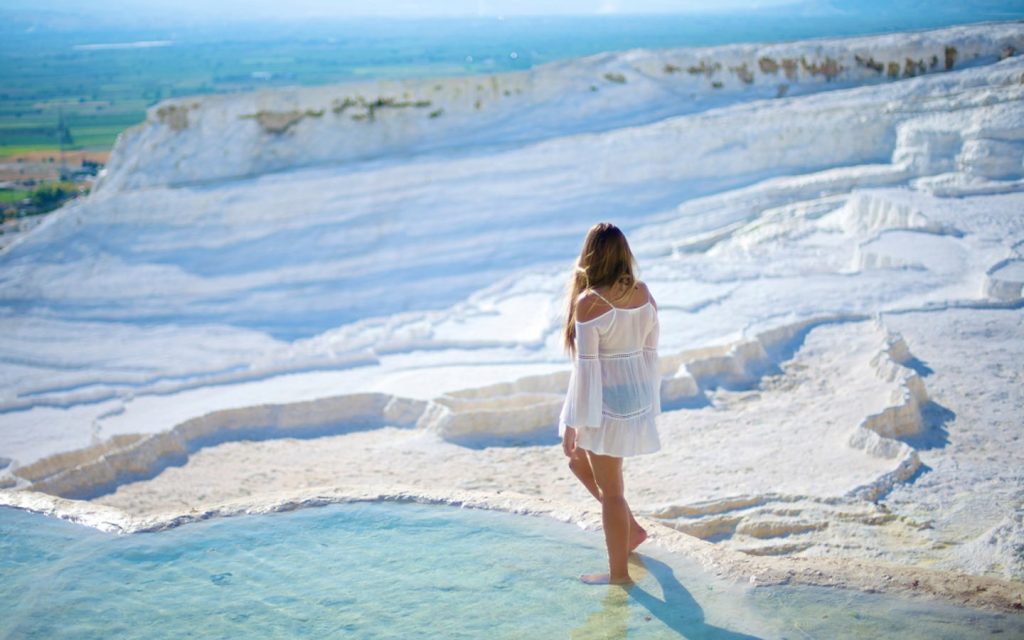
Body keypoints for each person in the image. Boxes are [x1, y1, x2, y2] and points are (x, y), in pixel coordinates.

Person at [559, 222, 661, 585]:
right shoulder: (644, 293)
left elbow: (586, 371)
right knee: (576, 459)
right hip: (634, 397)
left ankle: (619, 575)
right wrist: (647, 402)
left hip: (607, 403)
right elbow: (650, 351)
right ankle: (629, 529)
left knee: (613, 490)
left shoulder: (590, 304)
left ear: (590, 256)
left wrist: (573, 421)